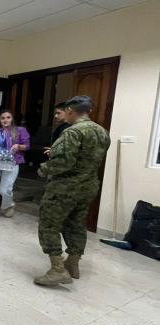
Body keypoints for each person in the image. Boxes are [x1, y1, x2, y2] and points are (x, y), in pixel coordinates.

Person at [34, 95, 110, 286]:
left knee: (49, 225)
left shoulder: (72, 132)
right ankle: (73, 263)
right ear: (88, 111)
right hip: (88, 187)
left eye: (64, 111)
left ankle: (57, 269)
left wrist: (43, 169)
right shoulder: (102, 132)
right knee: (76, 223)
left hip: (65, 188)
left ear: (70, 110)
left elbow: (63, 162)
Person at [0, 110, 31, 222]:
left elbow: (27, 146)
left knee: (5, 189)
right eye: (3, 118)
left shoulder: (20, 130)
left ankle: (8, 205)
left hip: (12, 163)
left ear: (12, 119)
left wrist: (18, 146)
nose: (5, 120)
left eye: (8, 117)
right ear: (0, 120)